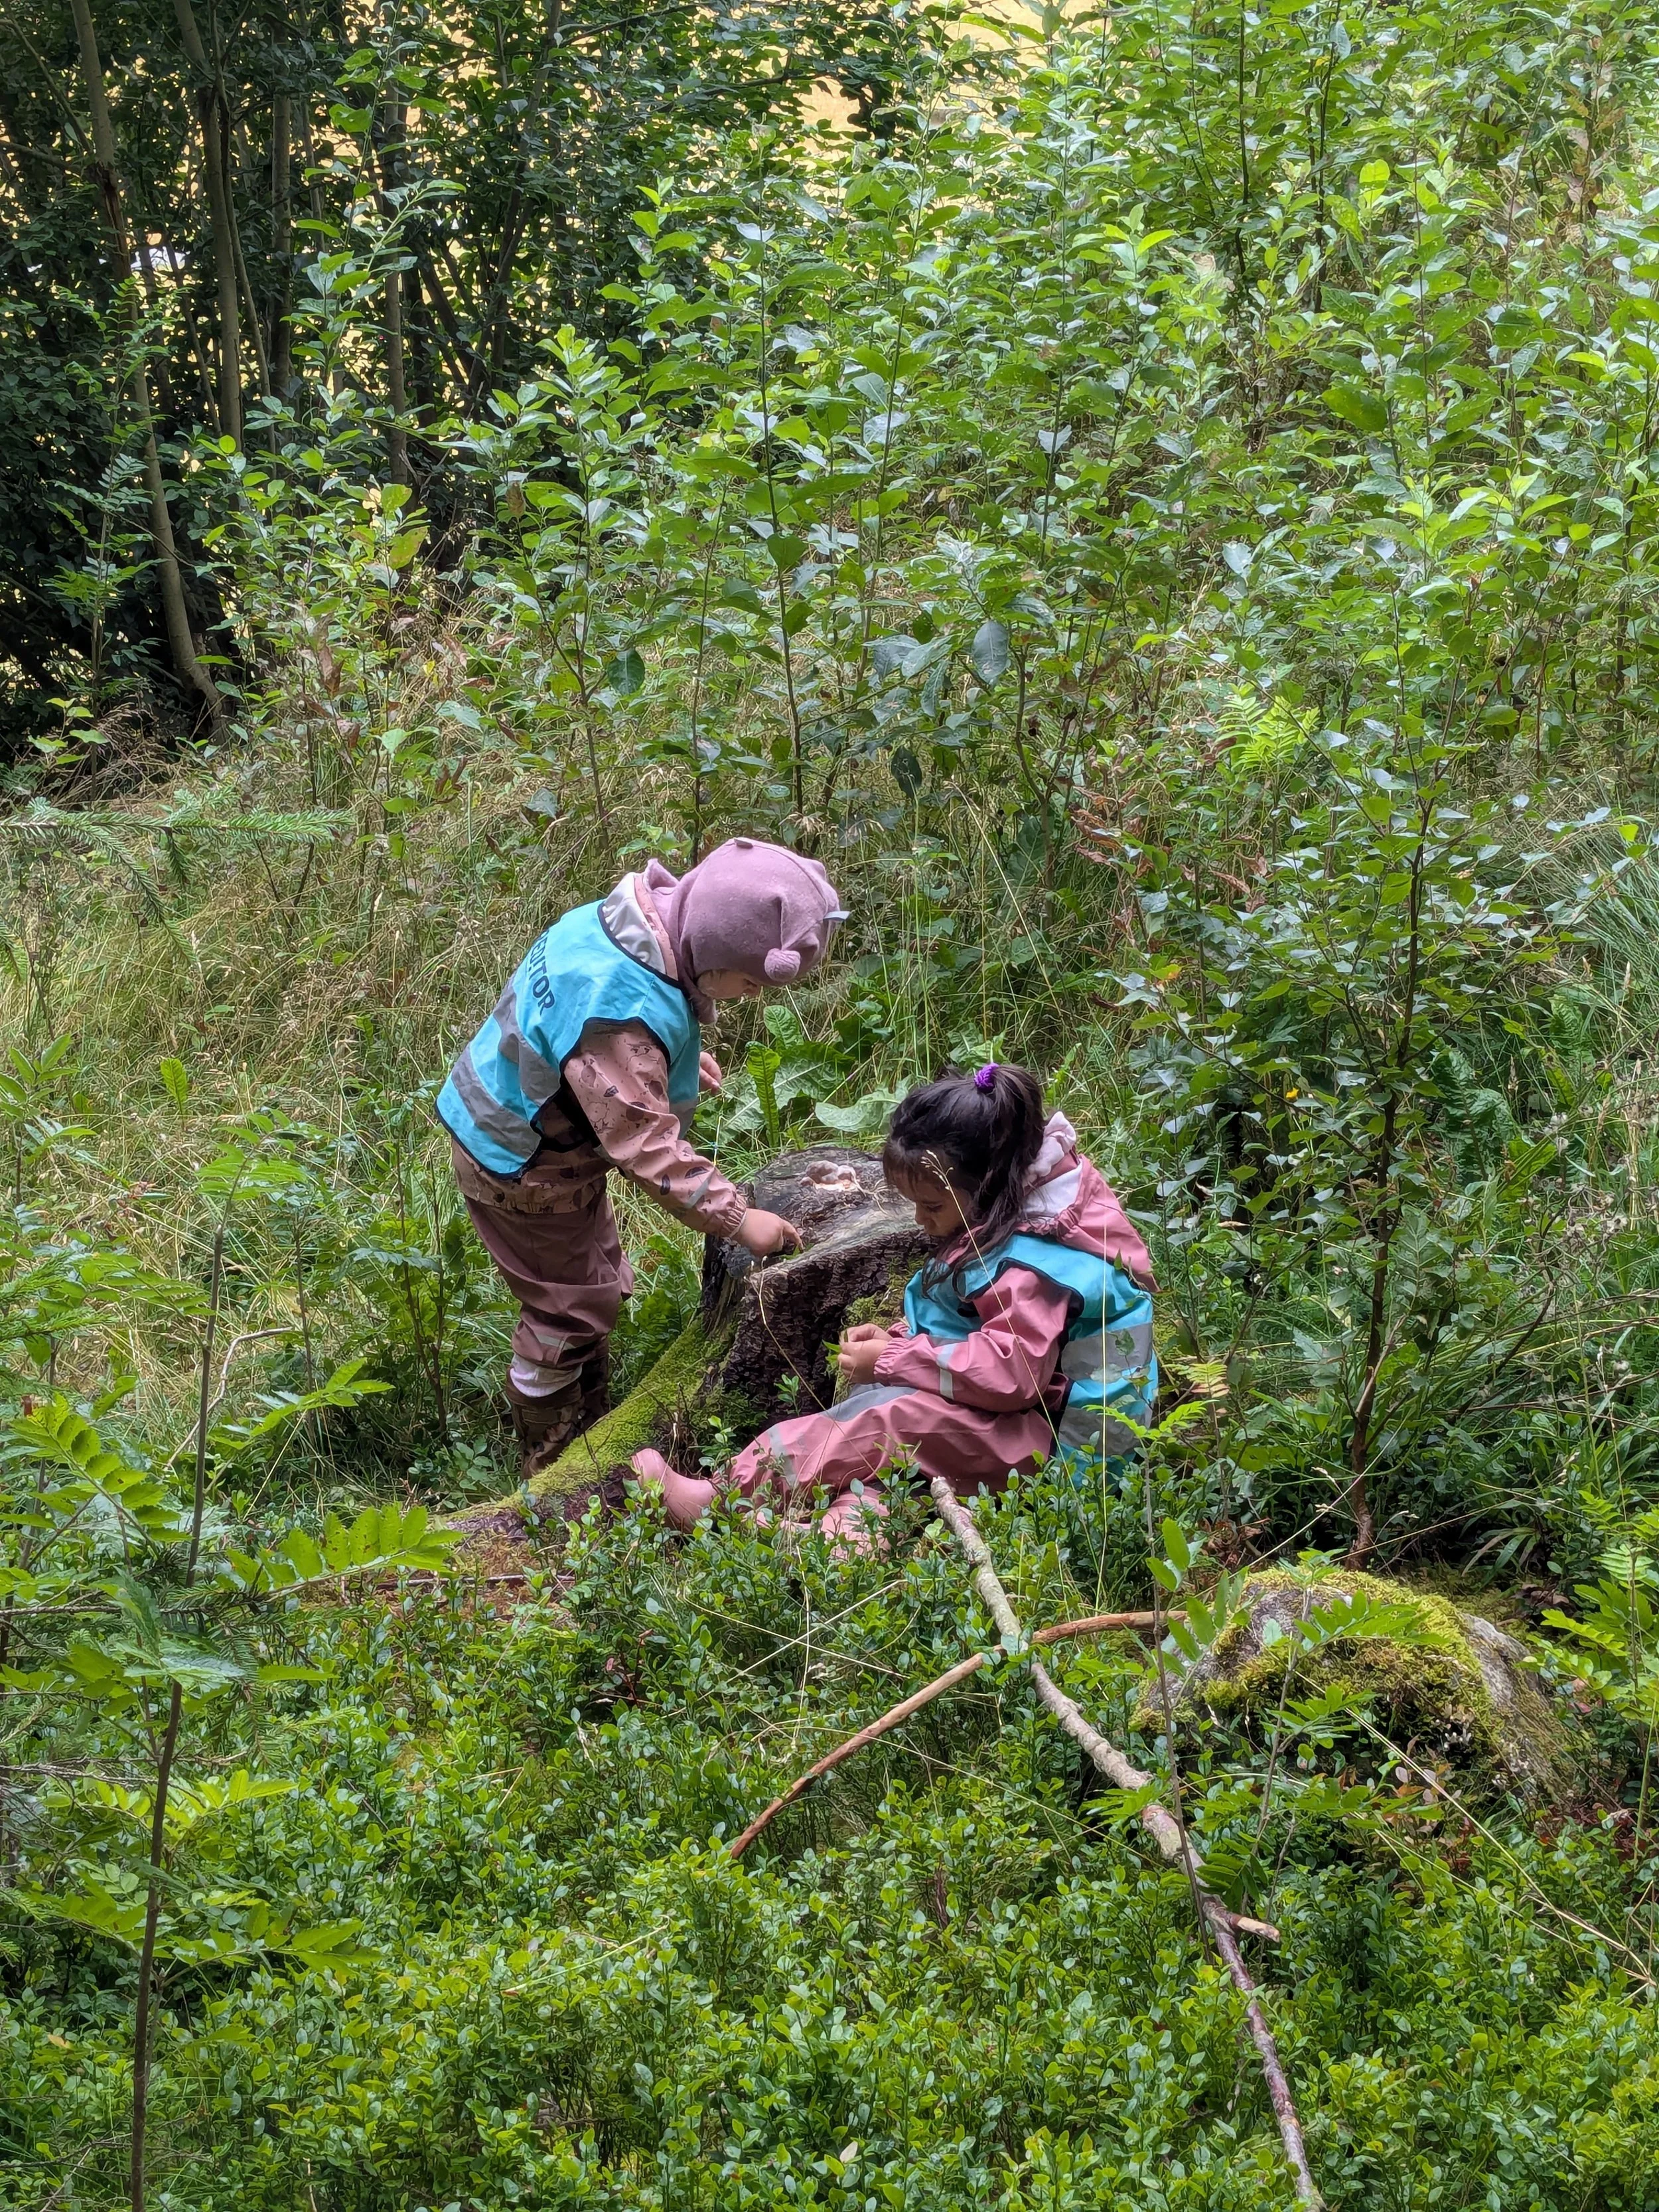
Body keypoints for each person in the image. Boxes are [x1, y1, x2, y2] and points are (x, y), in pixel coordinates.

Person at [439, 839, 846, 1476]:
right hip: (521, 1162)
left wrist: (674, 1056)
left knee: (594, 1273)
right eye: (746, 981)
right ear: (715, 949)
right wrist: (737, 1218)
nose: (747, 995)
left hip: (546, 1138)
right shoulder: (621, 1015)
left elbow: (609, 1040)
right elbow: (645, 1144)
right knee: (567, 1303)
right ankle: (550, 1451)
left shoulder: (631, 927)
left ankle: (588, 1401)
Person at [631, 1061, 1157, 1541]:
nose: (920, 1221)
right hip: (1035, 1428)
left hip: (1061, 1458)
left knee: (887, 1419)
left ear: (989, 1186)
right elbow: (986, 1340)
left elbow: (1012, 1375)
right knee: (895, 1444)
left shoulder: (1031, 1265)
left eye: (931, 1205)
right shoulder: (1025, 1218)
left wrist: (894, 1360)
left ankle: (721, 1498)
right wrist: (904, 1342)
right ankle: (844, 1542)